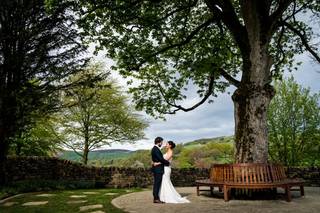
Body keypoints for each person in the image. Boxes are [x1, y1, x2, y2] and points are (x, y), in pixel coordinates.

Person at [151, 137, 170, 204]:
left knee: (156, 183)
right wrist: (168, 163)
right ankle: (156, 198)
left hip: (157, 168)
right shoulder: (156, 149)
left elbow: (158, 158)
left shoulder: (155, 148)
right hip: (158, 169)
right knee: (157, 184)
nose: (162, 143)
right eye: (161, 142)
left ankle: (156, 198)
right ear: (158, 142)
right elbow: (160, 159)